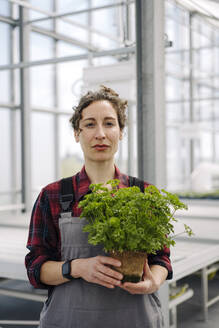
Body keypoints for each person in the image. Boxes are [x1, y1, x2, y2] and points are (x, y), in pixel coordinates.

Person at [25, 85, 172, 328]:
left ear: (121, 132)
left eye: (110, 123)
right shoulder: (53, 196)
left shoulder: (146, 194)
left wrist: (154, 281)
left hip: (135, 319)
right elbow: (35, 268)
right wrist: (77, 267)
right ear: (77, 133)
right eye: (90, 124)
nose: (100, 134)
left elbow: (162, 259)